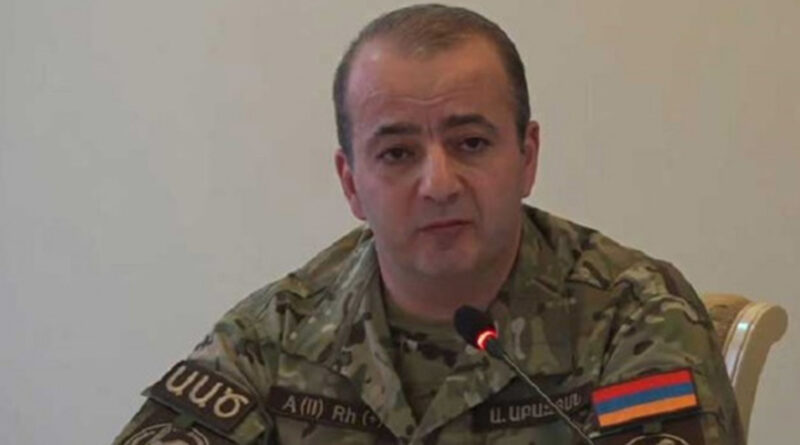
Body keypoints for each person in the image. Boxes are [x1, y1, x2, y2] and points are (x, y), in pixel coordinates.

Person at [113, 4, 745, 445]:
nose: (439, 183)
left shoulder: (630, 316)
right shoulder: (279, 332)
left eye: (471, 143)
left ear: (527, 157)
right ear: (351, 183)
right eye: (397, 153)